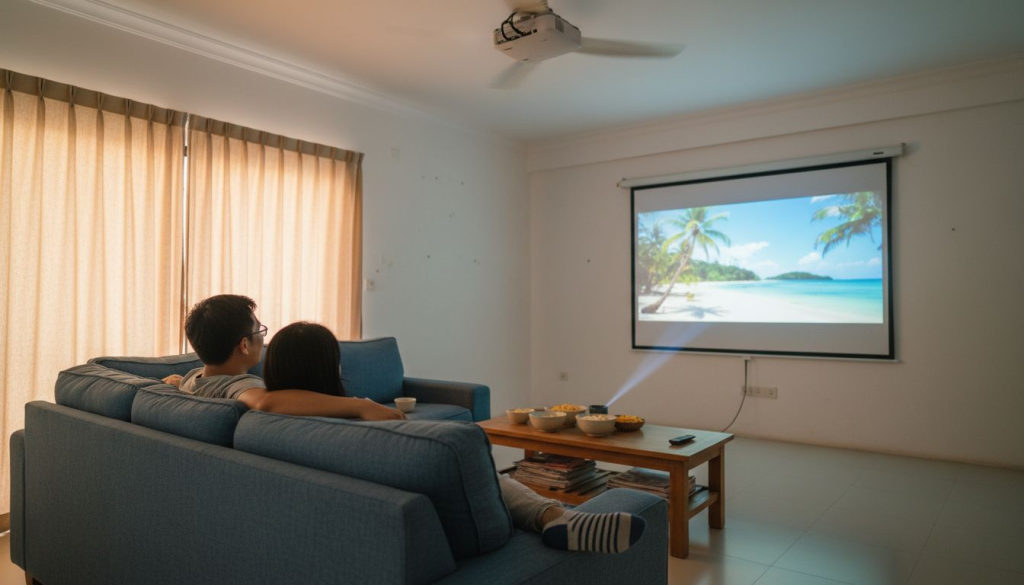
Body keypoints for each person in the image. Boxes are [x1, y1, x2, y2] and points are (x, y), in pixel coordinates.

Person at [260, 320, 646, 554]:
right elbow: (398, 425)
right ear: (330, 365)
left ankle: (557, 514)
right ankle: (554, 516)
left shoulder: (264, 413)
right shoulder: (358, 420)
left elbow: (270, 402)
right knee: (478, 469)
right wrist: (363, 406)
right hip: (423, 498)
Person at [163, 294, 403, 421]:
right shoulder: (240, 386)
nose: (263, 338)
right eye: (260, 331)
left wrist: (176, 382)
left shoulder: (193, 379)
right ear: (244, 345)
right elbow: (265, 402)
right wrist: (361, 405)